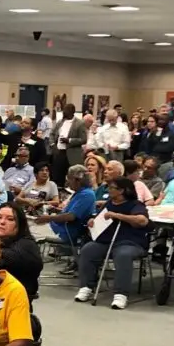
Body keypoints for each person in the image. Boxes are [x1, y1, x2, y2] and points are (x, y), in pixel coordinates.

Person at [74, 177, 150, 310]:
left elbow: (142, 220)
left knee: (123, 255)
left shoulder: (136, 204)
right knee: (88, 249)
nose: (108, 190)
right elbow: (99, 217)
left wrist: (118, 216)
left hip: (130, 242)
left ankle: (121, 294)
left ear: (122, 190)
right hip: (106, 241)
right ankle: (86, 286)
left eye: (112, 188)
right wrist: (93, 220)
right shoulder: (109, 203)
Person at [32, 165, 97, 262]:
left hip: (66, 231)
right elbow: (68, 212)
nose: (67, 182)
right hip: (59, 226)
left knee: (30, 228)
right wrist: (55, 210)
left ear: (77, 180)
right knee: (29, 222)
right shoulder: (79, 193)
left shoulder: (86, 194)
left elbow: (71, 216)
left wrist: (47, 218)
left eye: (69, 179)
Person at [50, 103, 86, 187]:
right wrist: (52, 145)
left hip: (72, 154)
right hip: (59, 153)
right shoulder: (60, 122)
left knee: (72, 177)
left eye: (66, 110)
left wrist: (69, 140)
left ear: (72, 111)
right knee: (57, 176)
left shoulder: (79, 123)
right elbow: (52, 134)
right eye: (64, 110)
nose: (64, 112)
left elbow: (84, 139)